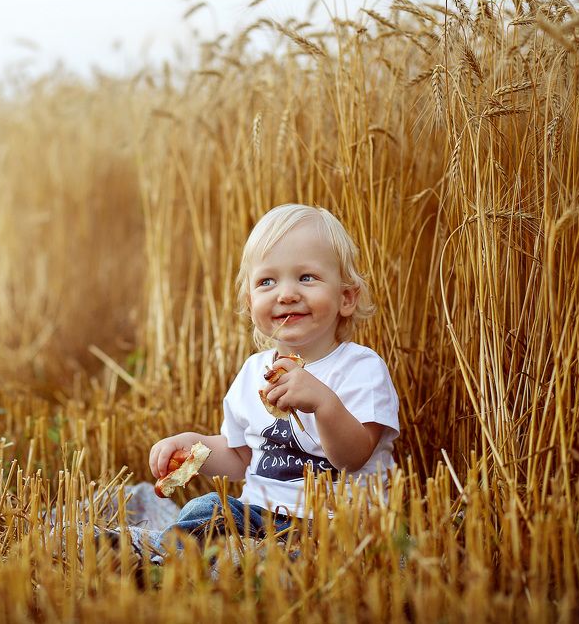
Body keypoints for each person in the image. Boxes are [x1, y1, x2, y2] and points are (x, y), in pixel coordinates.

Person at [148, 203, 400, 549]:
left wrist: (324, 403)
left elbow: (353, 456)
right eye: (267, 281)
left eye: (306, 277)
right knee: (204, 508)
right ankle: (165, 560)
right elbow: (240, 459)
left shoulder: (361, 368)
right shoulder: (254, 371)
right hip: (259, 516)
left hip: (335, 523)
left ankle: (269, 567)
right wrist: (195, 447)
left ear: (346, 298)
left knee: (327, 552)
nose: (286, 294)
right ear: (251, 304)